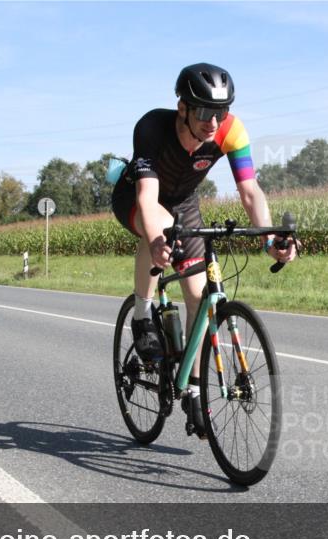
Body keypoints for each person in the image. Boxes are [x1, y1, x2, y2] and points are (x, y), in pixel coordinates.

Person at [111, 63, 297, 437]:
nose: (213, 122)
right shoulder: (152, 128)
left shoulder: (231, 130)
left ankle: (194, 390)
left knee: (198, 298)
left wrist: (268, 240)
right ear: (182, 107)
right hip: (137, 197)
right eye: (204, 112)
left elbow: (250, 191)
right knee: (159, 229)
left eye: (221, 112)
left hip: (184, 202)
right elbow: (148, 199)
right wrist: (157, 239)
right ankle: (143, 315)